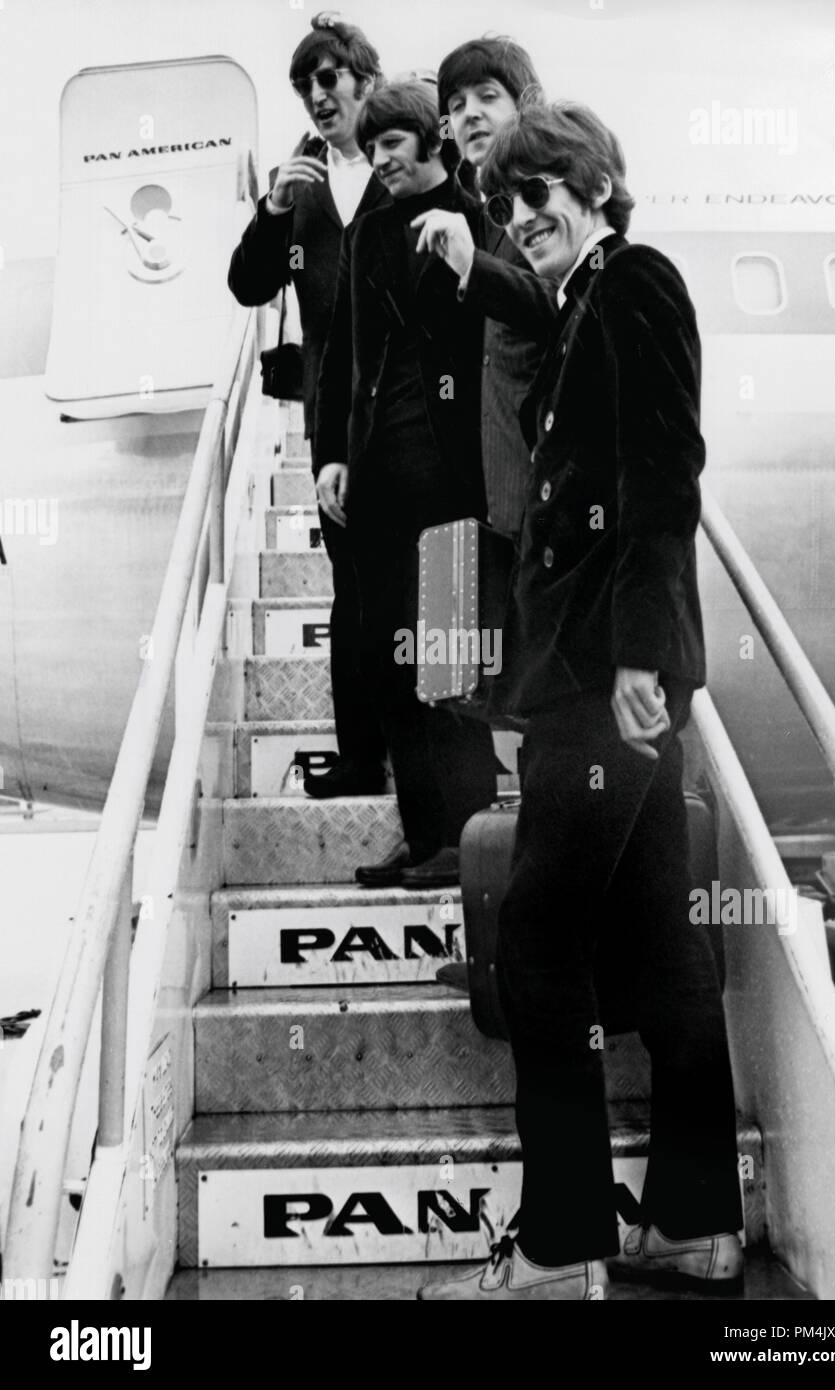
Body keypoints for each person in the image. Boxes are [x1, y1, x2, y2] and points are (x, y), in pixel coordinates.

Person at [416, 102, 744, 1300]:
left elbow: (664, 475)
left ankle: (562, 1242)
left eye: (541, 189)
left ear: (599, 182)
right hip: (597, 681)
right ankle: (694, 1224)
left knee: (540, 945)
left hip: (612, 689)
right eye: (506, 201)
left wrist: (640, 659)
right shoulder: (583, 303)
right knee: (661, 941)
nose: (522, 214)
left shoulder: (636, 283)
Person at [314, 80, 498, 890]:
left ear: (431, 142)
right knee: (391, 665)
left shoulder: (474, 219)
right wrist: (331, 452)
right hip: (378, 481)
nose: (379, 158)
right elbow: (341, 356)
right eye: (373, 144)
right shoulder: (366, 234)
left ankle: (468, 838)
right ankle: (423, 836)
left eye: (392, 143)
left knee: (448, 666)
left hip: (452, 482)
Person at [228, 12, 389, 799]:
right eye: (304, 86)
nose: (317, 97)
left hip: (416, 423)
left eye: (328, 79)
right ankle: (362, 757)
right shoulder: (302, 177)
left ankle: (441, 775)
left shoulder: (409, 161)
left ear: (365, 77)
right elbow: (248, 286)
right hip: (333, 431)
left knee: (434, 592)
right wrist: (268, 213)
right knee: (356, 598)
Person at [435, 36, 552, 540]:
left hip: (549, 494)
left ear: (525, 103)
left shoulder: (549, 198)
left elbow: (569, 307)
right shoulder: (482, 215)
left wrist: (473, 268)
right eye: (457, 106)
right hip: (499, 498)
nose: (469, 115)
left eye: (487, 96)